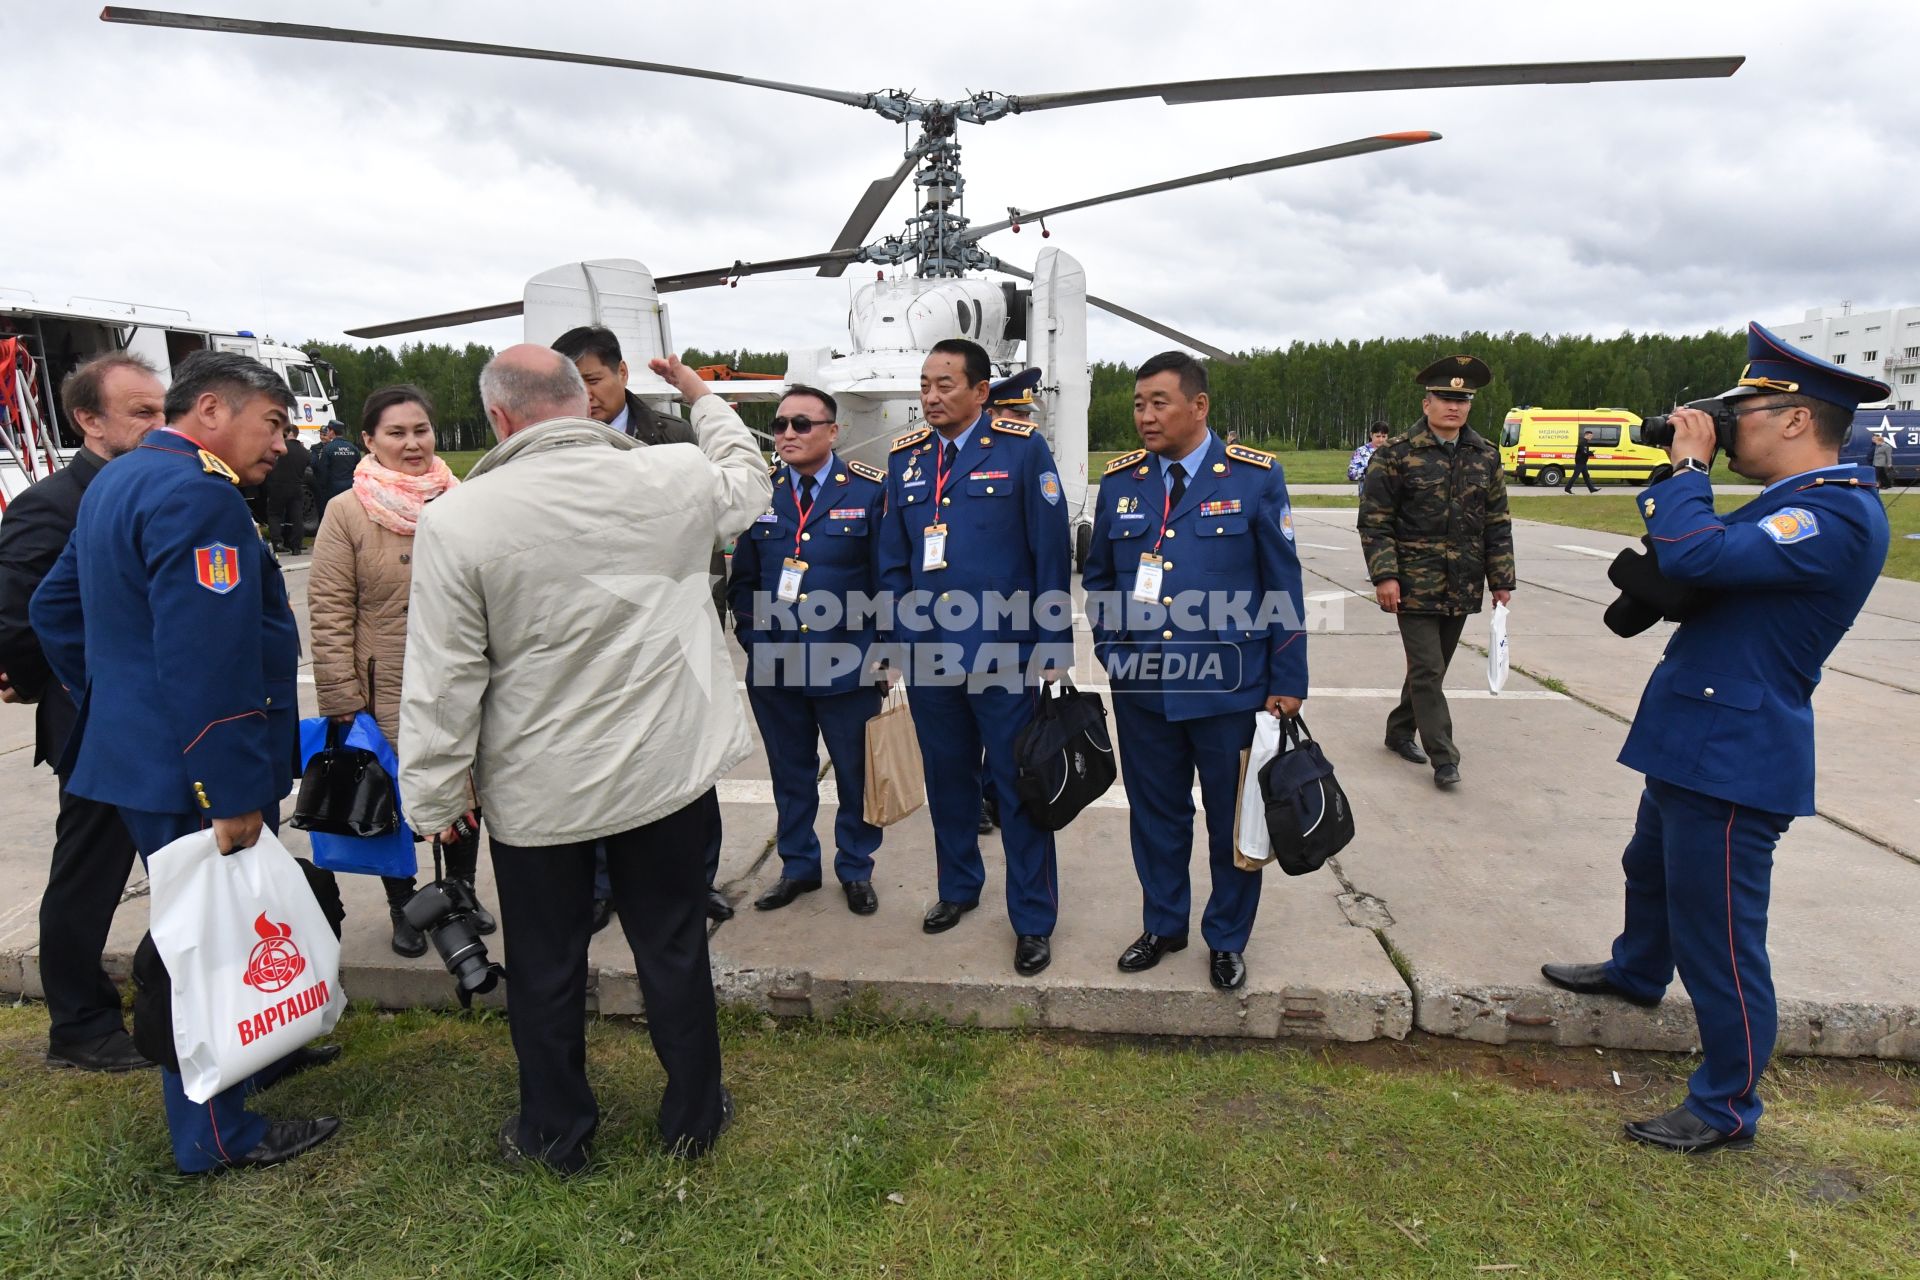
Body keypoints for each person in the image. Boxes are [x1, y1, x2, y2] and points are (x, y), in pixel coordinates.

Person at [399, 346, 769, 1174]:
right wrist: (704, 398)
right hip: (667, 778)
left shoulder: (461, 518)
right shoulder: (673, 476)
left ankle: (557, 1131)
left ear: (498, 419)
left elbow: (443, 678)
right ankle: (693, 1116)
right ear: (587, 402)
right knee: (673, 948)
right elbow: (747, 474)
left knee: (545, 966)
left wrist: (431, 799)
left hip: (542, 794)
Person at [1542, 323, 1891, 1154]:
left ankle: (1727, 1105)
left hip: (1735, 757)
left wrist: (1690, 468)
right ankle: (1636, 972)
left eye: (1744, 413)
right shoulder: (1791, 505)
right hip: (1697, 734)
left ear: (1797, 419)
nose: (1730, 427)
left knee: (1722, 940)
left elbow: (1698, 556)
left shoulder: (1832, 517)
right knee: (1650, 870)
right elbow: (1706, 570)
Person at [29, 350, 340, 1173]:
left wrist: (113, 698)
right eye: (273, 422)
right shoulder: (196, 495)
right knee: (205, 943)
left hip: (145, 755)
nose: (284, 442)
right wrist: (230, 790)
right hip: (193, 769)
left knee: (216, 932)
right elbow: (211, 661)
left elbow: (52, 607)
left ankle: (257, 1049)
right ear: (211, 410)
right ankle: (216, 1134)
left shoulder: (120, 480)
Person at [1083, 351, 1307, 990]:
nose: (1145, 416)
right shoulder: (1123, 481)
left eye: (1159, 402)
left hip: (1230, 689)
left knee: (1230, 818)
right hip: (1145, 689)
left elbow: (1281, 585)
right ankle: (1163, 923)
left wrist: (1288, 681)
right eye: (1137, 404)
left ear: (1198, 406)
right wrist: (1112, 649)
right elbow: (1100, 578)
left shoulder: (1253, 477)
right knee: (1155, 813)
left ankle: (1227, 937)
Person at [876, 338, 1072, 976]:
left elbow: (1050, 553)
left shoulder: (1020, 449)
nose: (931, 396)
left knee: (1019, 788)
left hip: (1004, 654)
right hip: (930, 657)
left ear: (981, 392)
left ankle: (1033, 919)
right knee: (949, 782)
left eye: (946, 385)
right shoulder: (906, 462)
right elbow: (892, 564)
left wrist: (1053, 644)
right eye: (925, 384)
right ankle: (958, 887)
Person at [0, 353, 161, 1073]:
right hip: (94, 725)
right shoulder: (53, 503)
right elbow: (15, 615)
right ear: (88, 420)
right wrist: (48, 685)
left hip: (153, 723)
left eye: (163, 409)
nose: (161, 424)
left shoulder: (154, 487)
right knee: (90, 873)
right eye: (142, 413)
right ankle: (79, 1024)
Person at [551, 325, 732, 925]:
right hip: (596, 631)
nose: (587, 394)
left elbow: (716, 521)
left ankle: (697, 881)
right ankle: (605, 885)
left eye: (595, 379)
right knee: (603, 757)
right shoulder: (554, 447)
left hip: (676, 620)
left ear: (624, 374)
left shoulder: (672, 436)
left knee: (691, 760)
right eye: (573, 384)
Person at [306, 383, 494, 957]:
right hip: (383, 683)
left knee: (466, 790)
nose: (412, 444)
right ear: (369, 440)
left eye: (420, 430)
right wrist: (341, 694)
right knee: (392, 796)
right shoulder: (347, 512)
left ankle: (460, 890)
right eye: (396, 433)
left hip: (459, 678)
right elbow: (330, 606)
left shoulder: (464, 499)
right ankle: (406, 904)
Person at [726, 384, 886, 915]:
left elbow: (886, 580)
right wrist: (753, 639)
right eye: (780, 425)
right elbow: (743, 582)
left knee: (854, 773)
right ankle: (798, 866)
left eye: (802, 424)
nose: (788, 434)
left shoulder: (868, 493)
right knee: (789, 773)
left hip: (847, 666)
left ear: (832, 431)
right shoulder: (761, 492)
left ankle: (855, 869)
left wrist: (883, 650)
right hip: (776, 665)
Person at [1358, 355, 1516, 789]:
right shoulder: (1396, 455)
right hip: (1412, 584)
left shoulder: (1484, 455)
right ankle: (1444, 757)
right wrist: (1384, 576)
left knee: (1433, 667)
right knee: (1428, 669)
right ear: (1426, 403)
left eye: (1462, 399)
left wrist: (1501, 579)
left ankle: (1398, 729)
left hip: (1461, 582)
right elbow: (1375, 521)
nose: (1454, 406)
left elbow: (1496, 521)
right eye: (1445, 397)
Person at [974, 367, 1044, 837]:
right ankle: (983, 794)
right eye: (1014, 412)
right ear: (990, 410)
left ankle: (999, 793)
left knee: (1013, 734)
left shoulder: (1028, 454)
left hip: (1012, 625)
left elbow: (1047, 546)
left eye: (1026, 413)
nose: (1025, 420)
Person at [261, 423, 311, 552]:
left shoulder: (280, 448)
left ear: (289, 433)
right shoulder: (304, 451)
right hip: (296, 487)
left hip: (278, 486)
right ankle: (296, 546)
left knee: (274, 514)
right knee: (297, 516)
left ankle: (277, 543)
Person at [308, 420, 359, 509]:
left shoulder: (328, 448)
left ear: (332, 431)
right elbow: (359, 468)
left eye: (328, 430)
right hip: (350, 488)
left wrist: (322, 488)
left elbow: (323, 471)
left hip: (333, 489)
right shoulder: (353, 448)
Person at [1347, 422, 1390, 493]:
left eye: (1384, 436)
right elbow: (1351, 474)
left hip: (1388, 498)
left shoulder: (1391, 451)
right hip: (1367, 498)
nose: (1381, 440)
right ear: (1371, 435)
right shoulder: (1361, 451)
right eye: (1378, 436)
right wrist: (1367, 471)